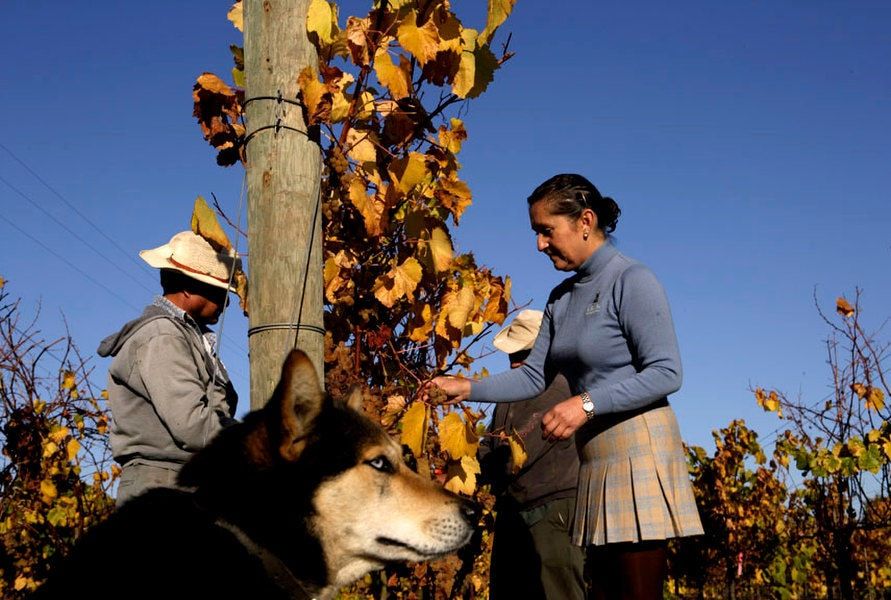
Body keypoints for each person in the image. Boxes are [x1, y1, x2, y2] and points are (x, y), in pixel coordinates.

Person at [430, 174, 703, 599]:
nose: (540, 244)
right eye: (536, 232)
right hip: (594, 458)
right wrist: (466, 387)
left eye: (546, 230)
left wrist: (585, 404)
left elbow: (667, 372)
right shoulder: (561, 298)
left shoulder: (632, 279)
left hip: (638, 452)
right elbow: (533, 376)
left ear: (585, 222)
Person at [97, 231, 241, 506]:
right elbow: (191, 424)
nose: (226, 302)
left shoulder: (188, 337)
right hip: (162, 487)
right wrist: (255, 441)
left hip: (180, 484)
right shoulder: (163, 336)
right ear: (188, 288)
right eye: (219, 291)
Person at [482, 309, 585, 600]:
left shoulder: (556, 388)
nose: (515, 362)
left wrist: (479, 468)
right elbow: (488, 442)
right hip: (515, 511)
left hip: (551, 511)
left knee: (556, 593)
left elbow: (517, 453)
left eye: (524, 354)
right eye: (512, 355)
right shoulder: (508, 397)